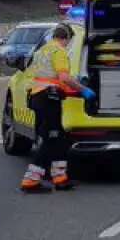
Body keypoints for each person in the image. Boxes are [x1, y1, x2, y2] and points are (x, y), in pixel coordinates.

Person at [21, 23, 85, 193]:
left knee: (60, 138)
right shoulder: (59, 51)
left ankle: (60, 178)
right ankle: (31, 180)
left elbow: (38, 76)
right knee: (52, 138)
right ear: (67, 38)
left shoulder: (41, 51)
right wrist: (83, 90)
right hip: (48, 98)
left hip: (37, 97)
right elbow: (64, 77)